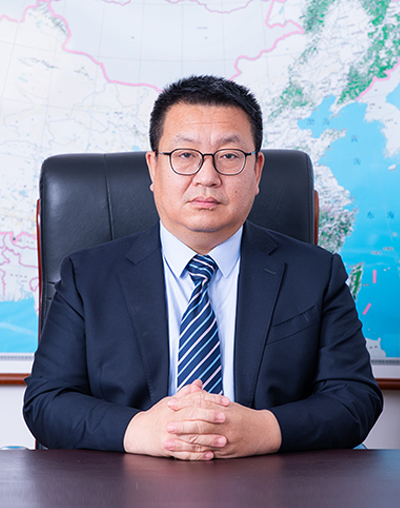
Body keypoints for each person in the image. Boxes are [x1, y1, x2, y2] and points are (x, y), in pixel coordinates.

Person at [24, 75, 382, 460]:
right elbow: (46, 401)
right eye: (185, 155)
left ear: (257, 171)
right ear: (153, 168)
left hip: (269, 480)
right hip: (129, 480)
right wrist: (140, 431)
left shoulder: (316, 274)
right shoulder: (86, 276)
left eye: (229, 156)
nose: (207, 177)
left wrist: (264, 430)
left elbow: (355, 397)